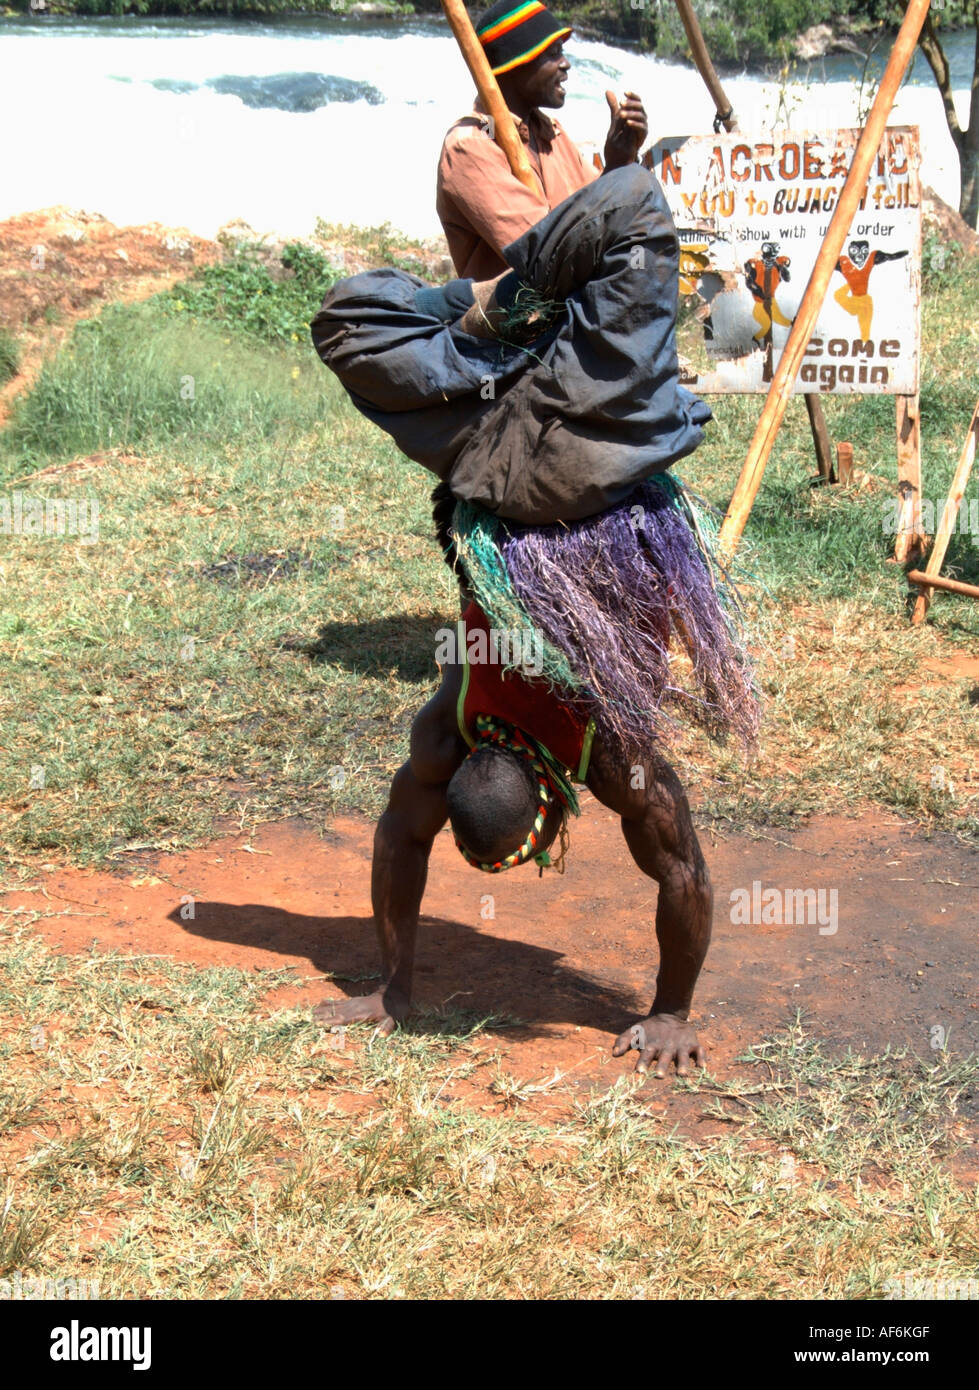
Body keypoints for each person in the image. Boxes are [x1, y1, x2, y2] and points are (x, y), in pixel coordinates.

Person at [311, 167, 759, 1078]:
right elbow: (403, 833)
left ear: (552, 804)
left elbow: (681, 868)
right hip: (503, 453)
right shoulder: (452, 721)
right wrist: (389, 993)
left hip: (565, 452)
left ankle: (505, 320)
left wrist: (675, 1010)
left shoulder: (609, 757)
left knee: (633, 206)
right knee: (344, 323)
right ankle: (502, 321)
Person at [436, 0, 648, 279]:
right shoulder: (471, 145)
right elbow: (543, 254)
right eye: (553, 53)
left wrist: (620, 161)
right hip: (516, 317)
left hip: (574, 302)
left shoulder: (551, 133)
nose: (566, 64)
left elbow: (606, 220)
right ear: (517, 63)